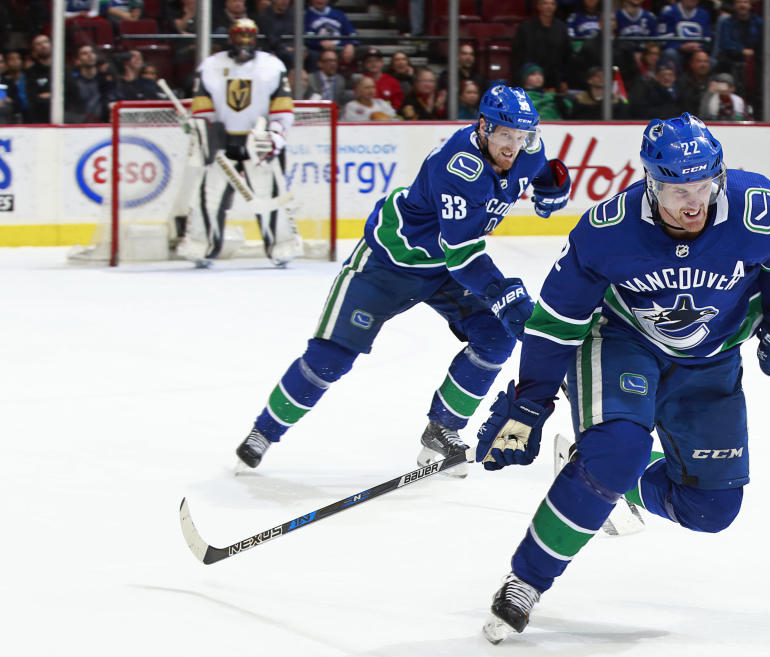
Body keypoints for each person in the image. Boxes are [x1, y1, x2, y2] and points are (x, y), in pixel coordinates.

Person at [474, 113, 770, 643]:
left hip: (712, 357)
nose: (693, 201)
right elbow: (556, 321)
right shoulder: (607, 231)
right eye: (677, 189)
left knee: (711, 509)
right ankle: (528, 579)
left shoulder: (760, 210)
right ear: (650, 183)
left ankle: (599, 474)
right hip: (622, 339)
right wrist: (529, 402)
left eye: (703, 185)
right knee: (618, 449)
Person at [233, 85, 572, 479]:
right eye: (503, 135)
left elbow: (539, 165)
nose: (512, 146)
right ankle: (265, 431)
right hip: (391, 263)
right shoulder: (458, 166)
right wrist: (507, 299)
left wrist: (553, 181)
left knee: (496, 339)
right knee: (331, 358)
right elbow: (464, 255)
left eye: (521, 136)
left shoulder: (527, 149)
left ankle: (440, 432)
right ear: (483, 128)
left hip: (444, 266)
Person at [177, 18, 301, 267]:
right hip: (222, 141)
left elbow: (283, 107)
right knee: (209, 197)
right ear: (231, 37)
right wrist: (201, 129)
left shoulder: (272, 66)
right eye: (239, 35)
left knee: (270, 195)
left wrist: (276, 135)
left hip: (259, 142)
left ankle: (281, 246)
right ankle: (201, 246)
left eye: (249, 36)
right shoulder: (211, 65)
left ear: (256, 38)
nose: (244, 41)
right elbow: (202, 107)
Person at [511, 0, 572, 94]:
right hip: (529, 81)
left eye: (552, 4)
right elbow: (517, 55)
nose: (549, 6)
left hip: (554, 81)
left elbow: (566, 56)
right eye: (545, 3)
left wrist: (564, 80)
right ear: (538, 6)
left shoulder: (561, 28)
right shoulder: (526, 28)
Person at [656, 0, 713, 70]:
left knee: (712, 62)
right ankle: (678, 79)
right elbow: (663, 38)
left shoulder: (704, 14)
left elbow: (707, 39)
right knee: (670, 53)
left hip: (697, 51)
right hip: (676, 51)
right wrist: (680, 46)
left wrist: (698, 47)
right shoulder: (668, 11)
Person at [305, 0, 357, 70]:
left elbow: (351, 33)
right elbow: (307, 38)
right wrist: (320, 43)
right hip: (319, 50)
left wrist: (350, 44)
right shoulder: (306, 15)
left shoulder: (339, 14)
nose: (320, 1)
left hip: (341, 48)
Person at [65, 44, 110, 123]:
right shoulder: (71, 83)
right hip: (78, 126)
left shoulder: (105, 81)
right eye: (84, 53)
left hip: (102, 126)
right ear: (78, 60)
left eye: (92, 52)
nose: (90, 55)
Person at [361, 47, 404, 111]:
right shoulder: (361, 81)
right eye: (369, 61)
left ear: (382, 62)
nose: (373, 64)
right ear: (365, 64)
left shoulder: (392, 81)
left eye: (377, 60)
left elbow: (397, 103)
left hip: (388, 117)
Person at [24, 34, 53, 124]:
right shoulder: (30, 73)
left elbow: (72, 95)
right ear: (34, 50)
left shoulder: (63, 69)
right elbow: (32, 99)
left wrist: (50, 96)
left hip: (66, 119)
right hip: (39, 121)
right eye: (39, 44)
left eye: (45, 42)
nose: (43, 46)